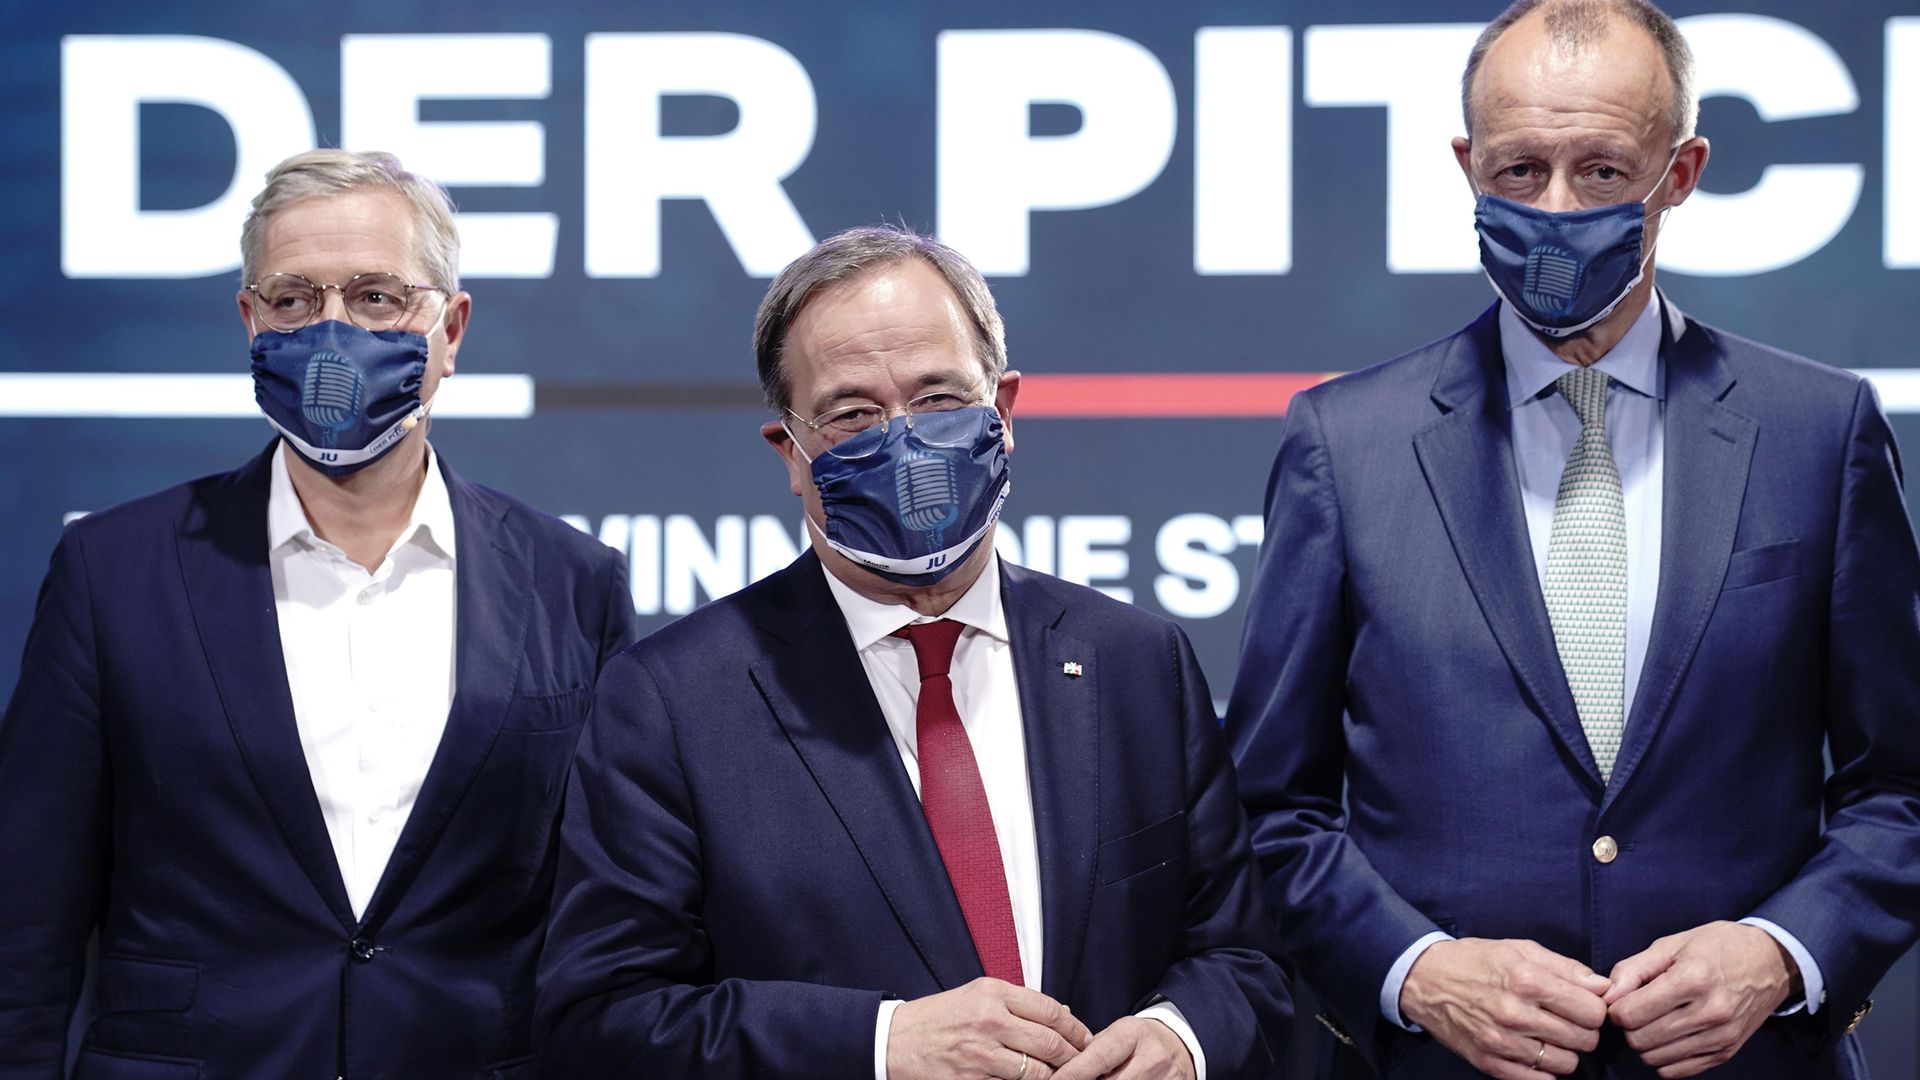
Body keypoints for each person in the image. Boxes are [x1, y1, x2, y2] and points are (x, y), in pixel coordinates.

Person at [1226, 2, 1920, 1077]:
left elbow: (1901, 788)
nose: (1555, 207)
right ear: (1467, 166)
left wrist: (1782, 953)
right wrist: (1414, 971)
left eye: (1602, 170)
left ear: (1680, 171)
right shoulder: (1344, 444)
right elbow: (1272, 812)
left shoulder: (1818, 434)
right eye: (1518, 170)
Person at [535, 225, 1289, 1080]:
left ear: (1002, 413)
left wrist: (1181, 1042)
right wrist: (879, 1046)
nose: (904, 445)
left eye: (938, 400)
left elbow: (1244, 960)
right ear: (790, 452)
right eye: (852, 413)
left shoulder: (1138, 664)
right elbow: (604, 1020)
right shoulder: (670, 702)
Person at [0, 149, 637, 1078]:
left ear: (449, 330)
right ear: (250, 322)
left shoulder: (572, 582)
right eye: (294, 301)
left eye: (378, 297)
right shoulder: (113, 571)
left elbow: (613, 919)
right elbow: (26, 915)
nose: (332, 331)